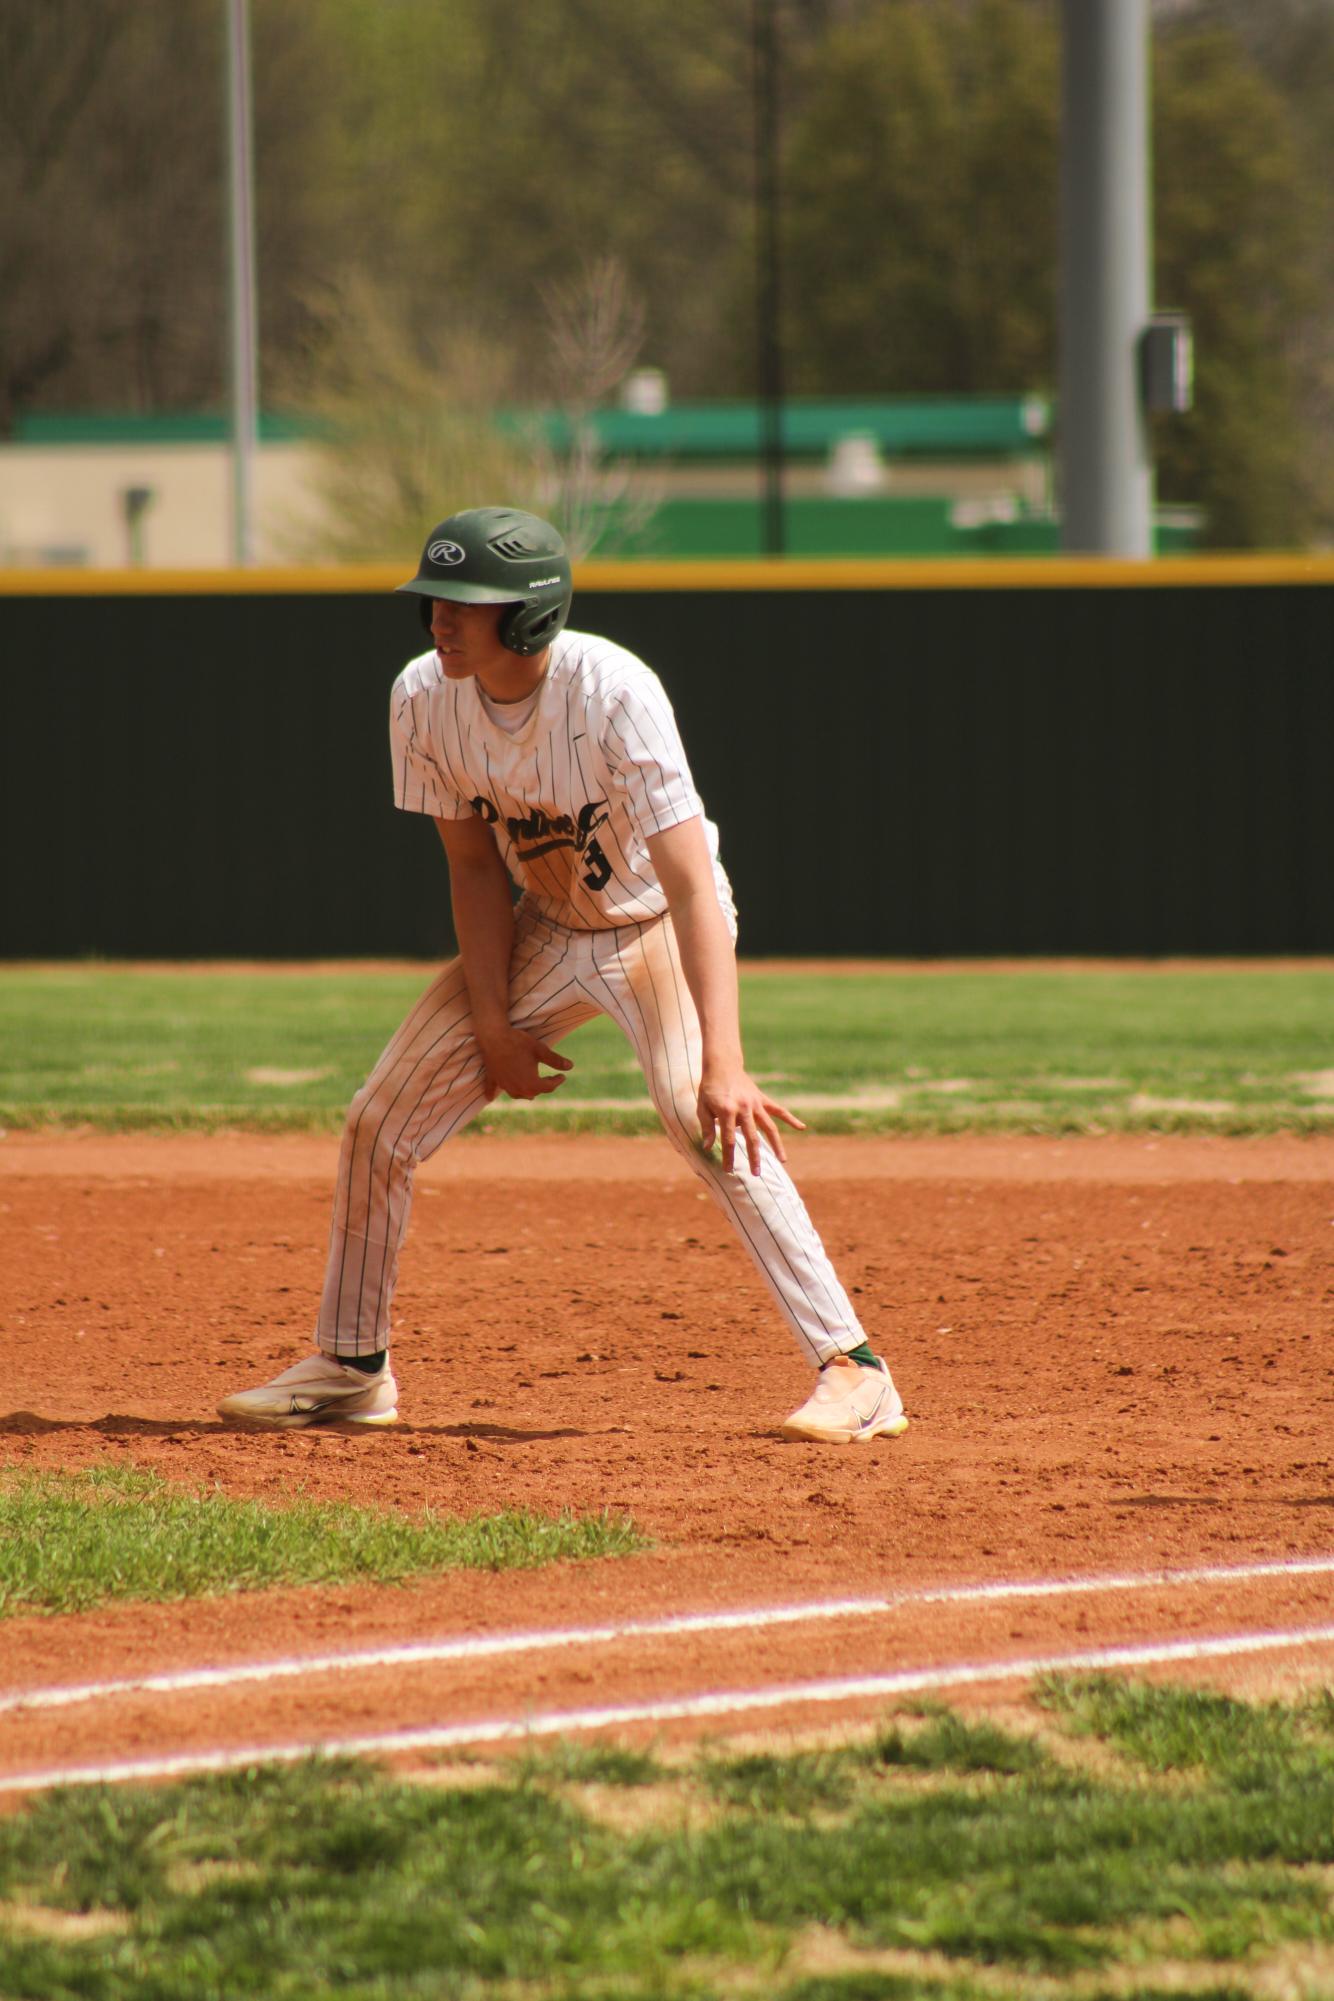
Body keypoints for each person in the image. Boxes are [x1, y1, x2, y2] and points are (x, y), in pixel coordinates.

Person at [218, 506, 908, 1444]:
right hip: (545, 927)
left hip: (654, 923)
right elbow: (471, 868)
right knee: (381, 1118)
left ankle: (855, 1370)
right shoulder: (422, 697)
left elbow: (692, 884)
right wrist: (494, 1023)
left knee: (700, 1112)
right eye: (434, 600)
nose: (439, 620)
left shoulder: (615, 690)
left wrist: (727, 1062)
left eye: (464, 604)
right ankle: (352, 1366)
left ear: (531, 614)